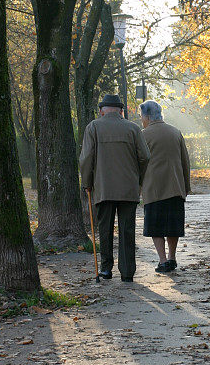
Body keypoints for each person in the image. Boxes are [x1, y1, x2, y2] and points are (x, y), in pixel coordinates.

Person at [80, 94, 150, 283]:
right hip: (128, 188)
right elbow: (145, 157)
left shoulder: (93, 127)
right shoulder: (133, 128)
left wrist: (87, 182)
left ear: (102, 110)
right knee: (127, 230)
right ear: (121, 111)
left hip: (104, 188)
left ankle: (105, 269)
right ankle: (127, 272)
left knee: (105, 229)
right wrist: (139, 179)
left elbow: (86, 158)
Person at [140, 100, 191, 273]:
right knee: (173, 226)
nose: (141, 120)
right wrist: (186, 186)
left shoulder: (143, 135)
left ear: (147, 117)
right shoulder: (175, 132)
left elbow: (138, 162)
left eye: (142, 117)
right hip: (176, 187)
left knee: (156, 227)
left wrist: (138, 186)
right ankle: (172, 257)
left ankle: (162, 260)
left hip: (154, 189)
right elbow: (185, 162)